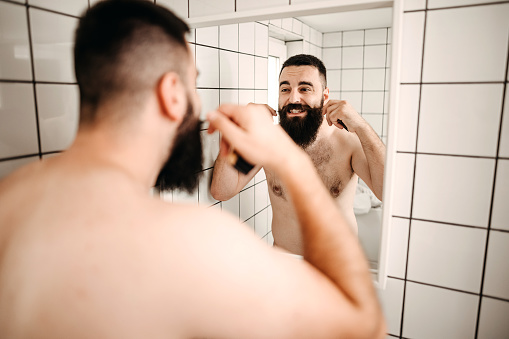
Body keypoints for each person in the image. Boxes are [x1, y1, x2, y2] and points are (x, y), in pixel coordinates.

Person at [0, 1, 385, 338]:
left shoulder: (10, 197)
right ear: (171, 93)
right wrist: (282, 159)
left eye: (304, 88)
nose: (293, 97)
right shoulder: (195, 238)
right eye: (194, 84)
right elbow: (364, 327)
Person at [211, 54, 386, 255]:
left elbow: (388, 194)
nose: (293, 99)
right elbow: (222, 190)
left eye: (305, 89)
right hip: (284, 263)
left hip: (336, 267)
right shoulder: (266, 142)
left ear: (325, 96)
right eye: (285, 89)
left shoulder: (348, 143)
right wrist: (240, 129)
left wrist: (361, 127)